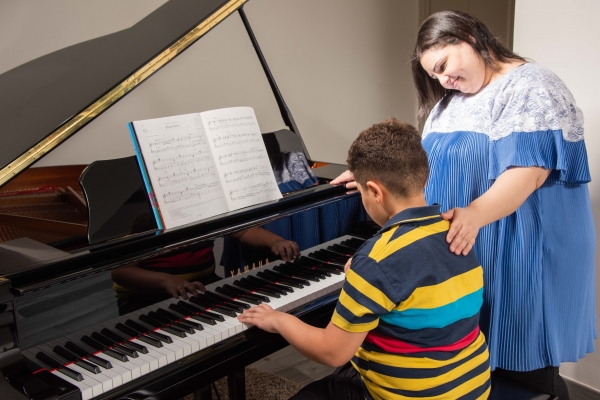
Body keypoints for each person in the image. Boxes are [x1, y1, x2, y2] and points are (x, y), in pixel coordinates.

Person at [331, 11, 595, 399]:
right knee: (470, 358)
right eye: (434, 76)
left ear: (469, 36)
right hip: (470, 241)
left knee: (526, 363)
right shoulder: (449, 103)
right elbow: (424, 163)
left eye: (443, 66)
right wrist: (376, 175)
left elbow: (530, 172)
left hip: (523, 244)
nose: (443, 80)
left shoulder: (531, 84)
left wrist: (474, 214)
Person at [239, 118, 491, 400]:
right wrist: (365, 274)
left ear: (374, 191)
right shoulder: (457, 233)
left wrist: (277, 320)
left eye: (360, 192)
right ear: (423, 176)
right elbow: (409, 279)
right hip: (472, 388)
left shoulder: (376, 261)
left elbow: (331, 352)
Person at [111, 226, 299, 301]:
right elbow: (122, 272)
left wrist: (274, 241)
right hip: (147, 295)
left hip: (203, 284)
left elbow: (241, 231)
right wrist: (168, 282)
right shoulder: (138, 217)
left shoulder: (199, 204)